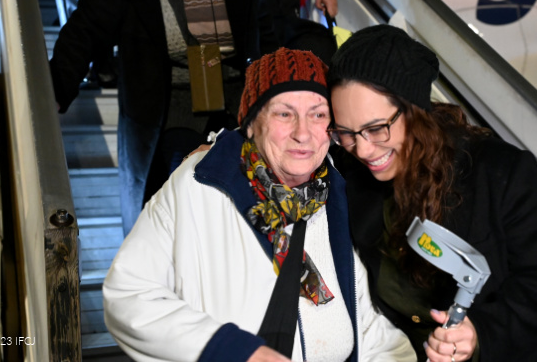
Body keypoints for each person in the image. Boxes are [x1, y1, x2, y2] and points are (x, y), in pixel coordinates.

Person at [102, 48, 416, 362]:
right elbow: (128, 295)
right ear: (251, 123)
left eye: (318, 114)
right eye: (284, 114)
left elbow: (368, 330)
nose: (302, 133)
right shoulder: (203, 183)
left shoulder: (334, 194)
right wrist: (235, 351)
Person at [327, 25, 537, 362]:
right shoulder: (351, 177)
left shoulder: (499, 171)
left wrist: (480, 332)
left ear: (414, 110)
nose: (363, 149)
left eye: (376, 128)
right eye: (345, 133)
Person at [49, 0, 278, 235]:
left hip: (236, 111)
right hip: (165, 113)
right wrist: (56, 89)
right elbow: (86, 27)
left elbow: (268, 39)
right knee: (182, 206)